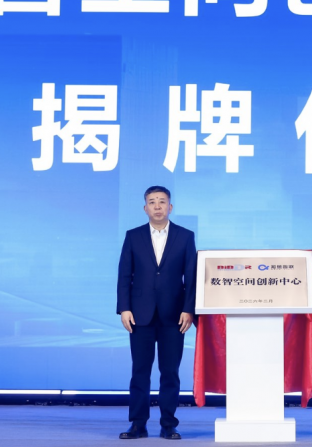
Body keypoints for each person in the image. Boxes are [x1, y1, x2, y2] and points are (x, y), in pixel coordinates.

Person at [116, 186, 197, 440]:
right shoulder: (133, 236)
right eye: (152, 202)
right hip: (139, 314)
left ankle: (168, 424)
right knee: (140, 371)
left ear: (170, 207)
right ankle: (138, 424)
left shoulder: (185, 236)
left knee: (170, 372)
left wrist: (188, 309)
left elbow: (191, 277)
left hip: (175, 315)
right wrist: (124, 308)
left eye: (162, 201)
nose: (158, 206)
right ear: (145, 208)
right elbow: (124, 275)